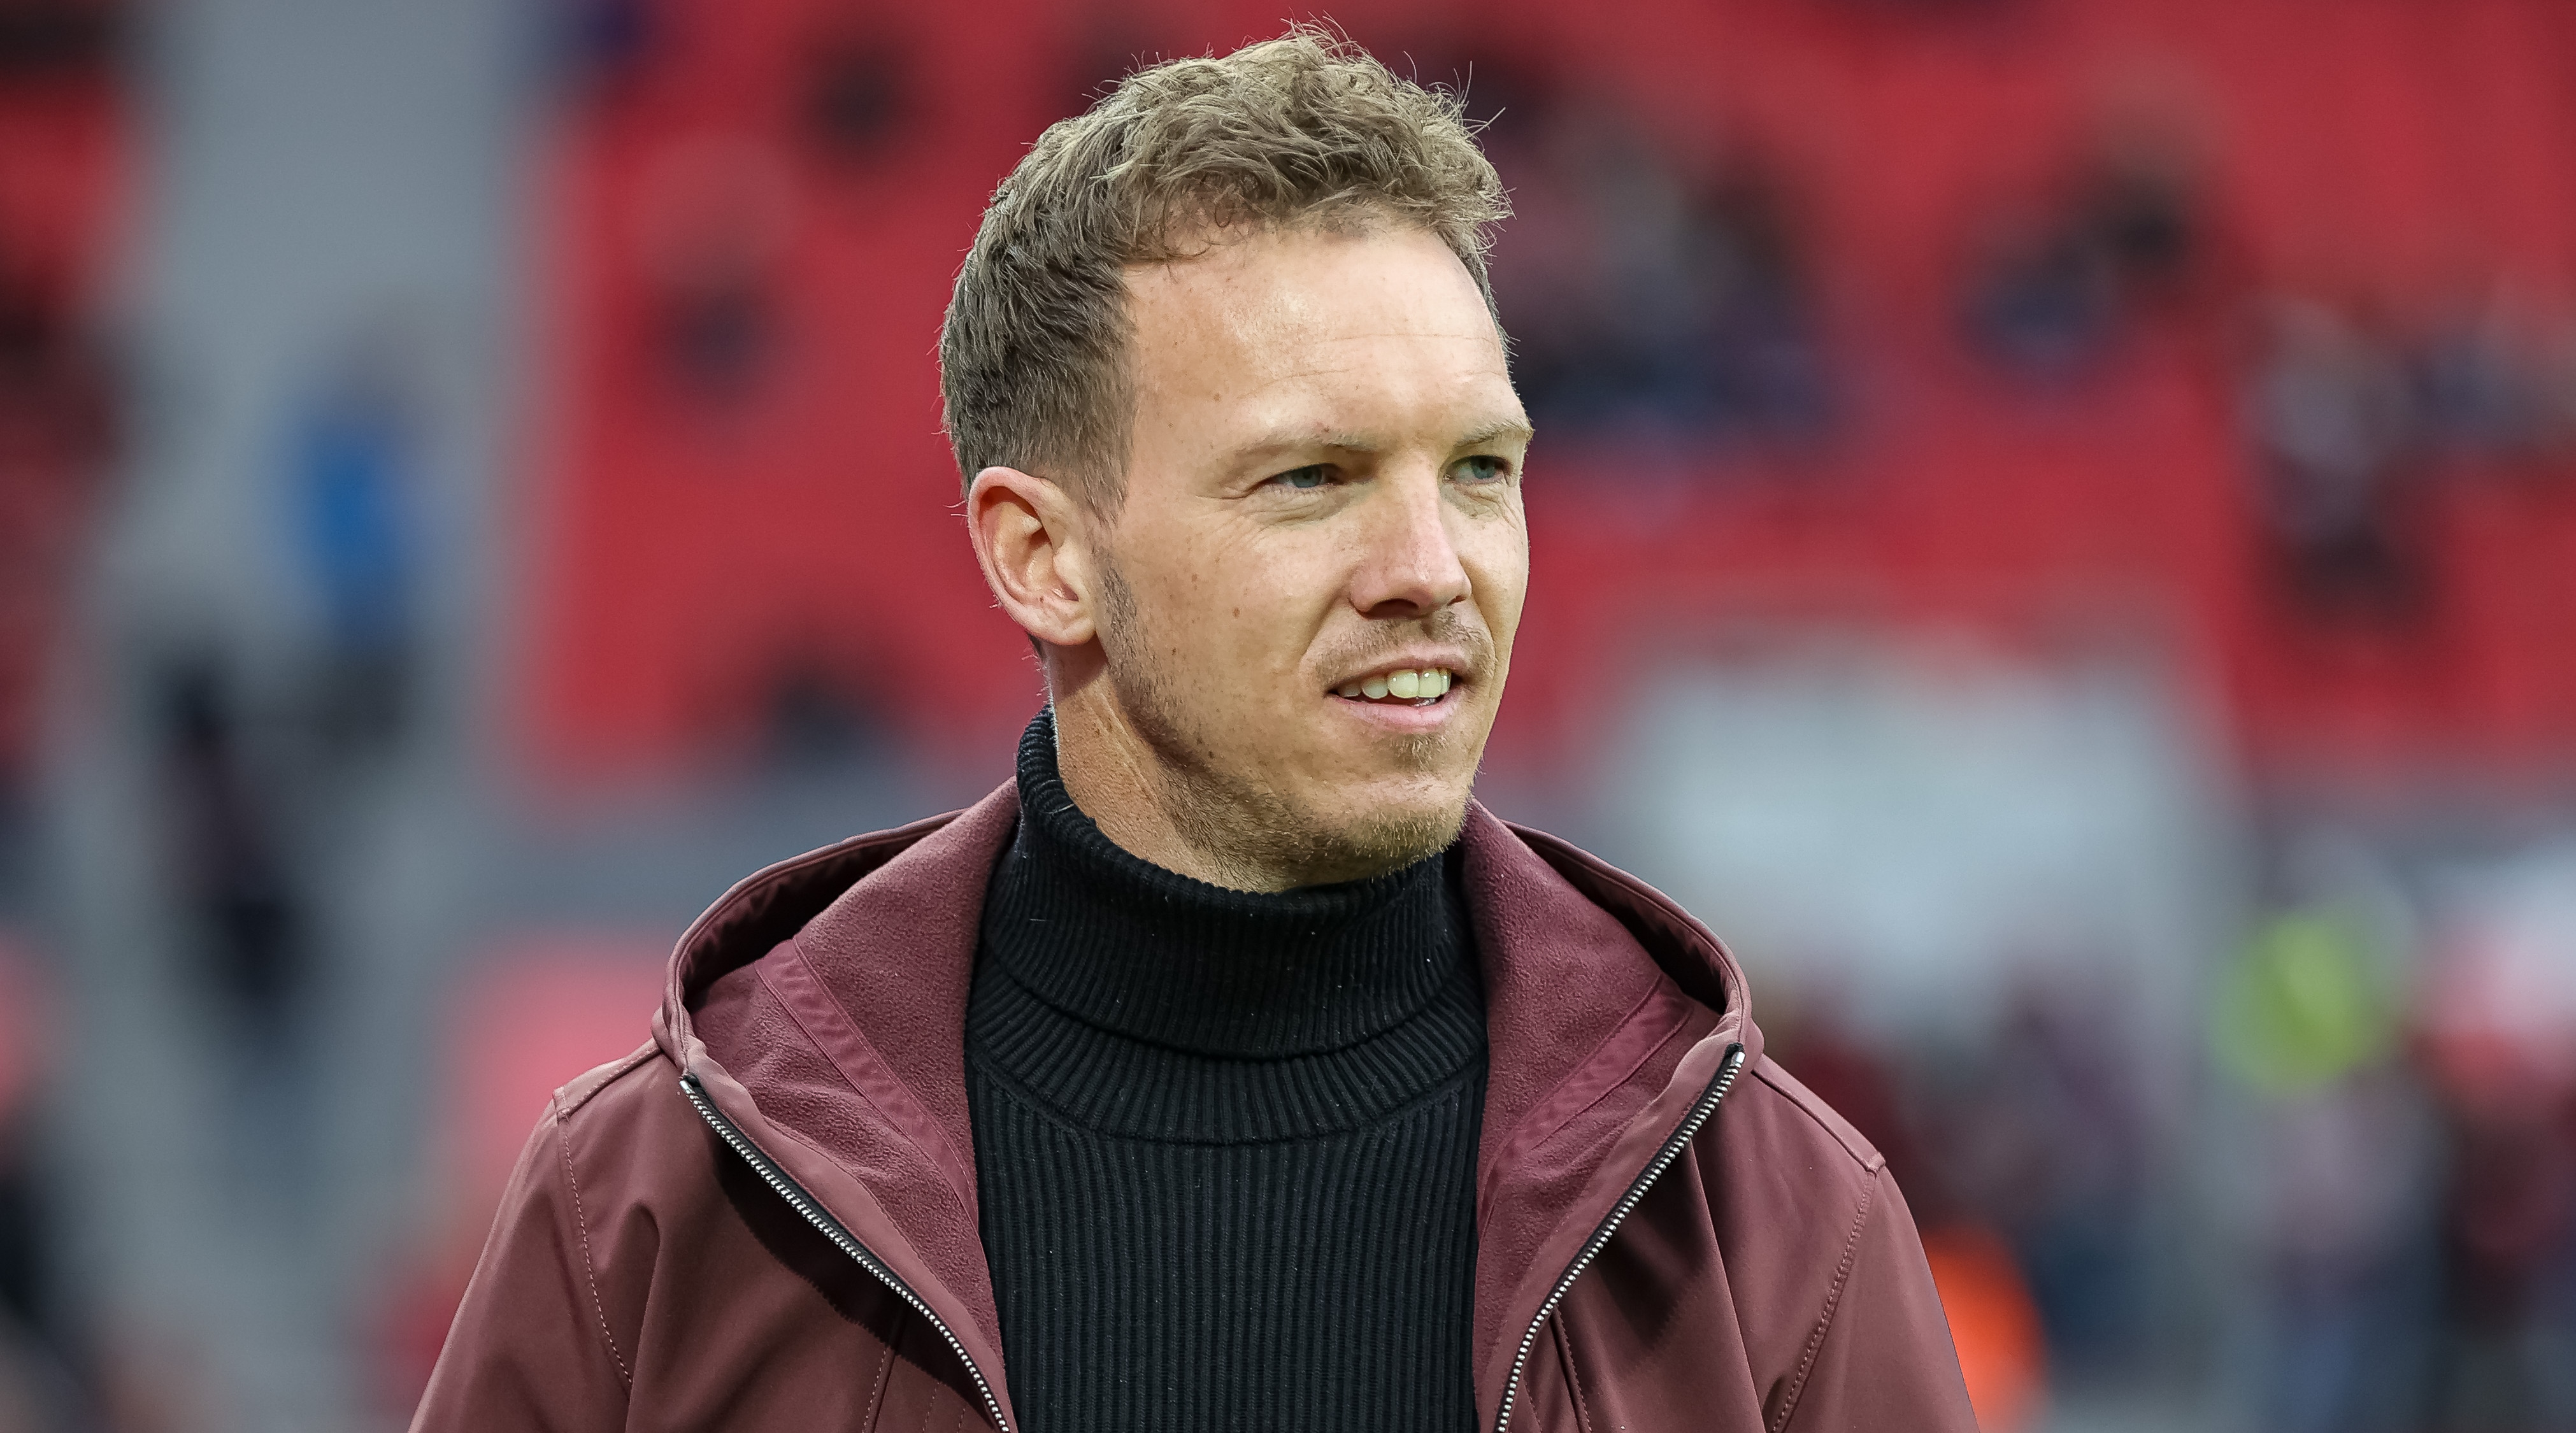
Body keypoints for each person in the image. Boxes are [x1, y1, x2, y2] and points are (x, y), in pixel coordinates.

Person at [413, 31, 1975, 1433]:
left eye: (1481, 470)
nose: (1433, 570)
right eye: (1312, 479)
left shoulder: (1777, 1229)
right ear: (1043, 556)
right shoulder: (657, 1212)